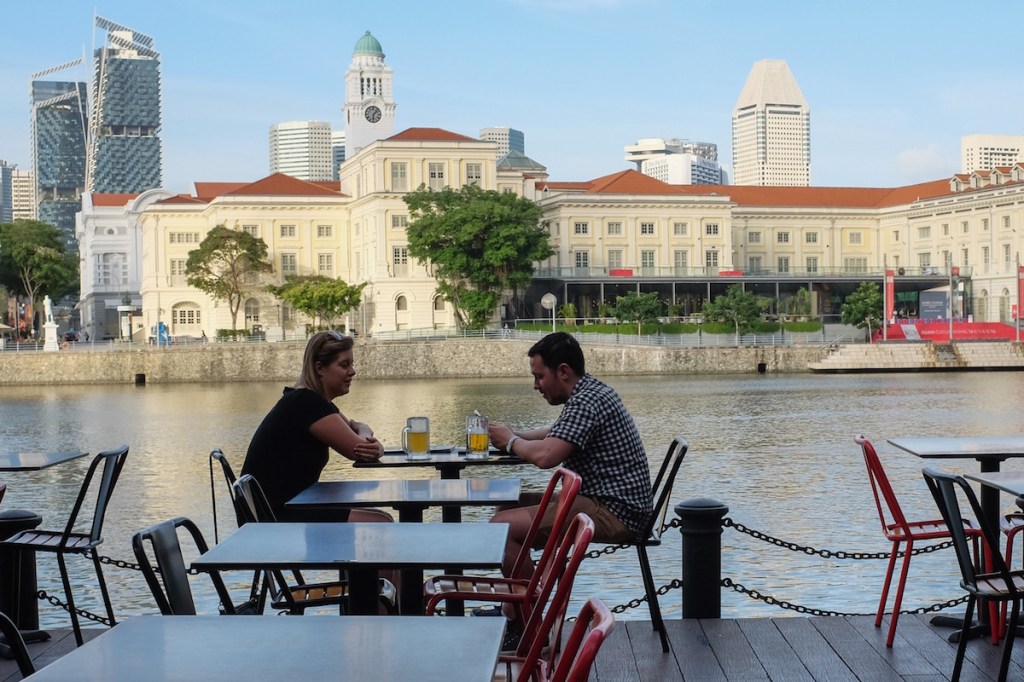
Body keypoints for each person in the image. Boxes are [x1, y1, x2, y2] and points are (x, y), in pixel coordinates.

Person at [488, 332, 653, 581]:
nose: (536, 386)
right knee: (508, 505)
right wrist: (513, 435)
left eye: (539, 376)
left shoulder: (586, 401)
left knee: (501, 528)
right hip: (607, 501)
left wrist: (511, 442)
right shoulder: (590, 392)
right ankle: (520, 602)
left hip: (615, 512)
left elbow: (546, 456)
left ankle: (525, 614)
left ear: (563, 372)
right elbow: (553, 434)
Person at [241, 330, 391, 524]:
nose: (352, 371)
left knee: (381, 517)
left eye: (352, 364)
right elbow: (361, 450)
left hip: (284, 506)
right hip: (275, 515)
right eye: (344, 365)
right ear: (320, 368)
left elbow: (363, 443)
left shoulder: (307, 400)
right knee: (379, 523)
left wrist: (373, 443)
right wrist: (366, 430)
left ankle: (339, 556)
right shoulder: (306, 403)